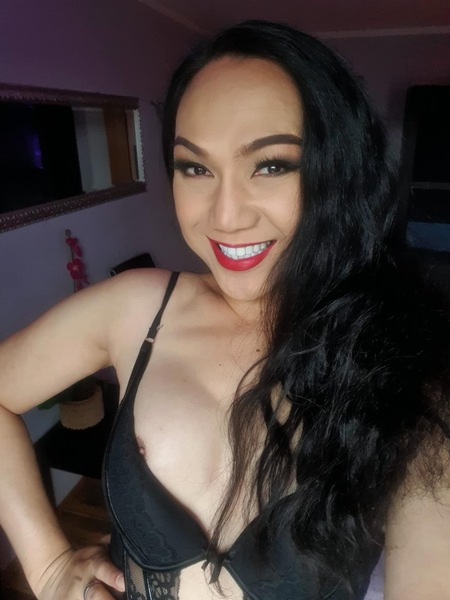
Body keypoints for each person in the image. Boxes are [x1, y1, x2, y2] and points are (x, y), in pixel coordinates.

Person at [1, 19, 450, 600]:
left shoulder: (412, 375)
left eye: (271, 164)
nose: (225, 216)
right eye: (196, 167)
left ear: (339, 173)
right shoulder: (134, 308)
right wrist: (47, 565)